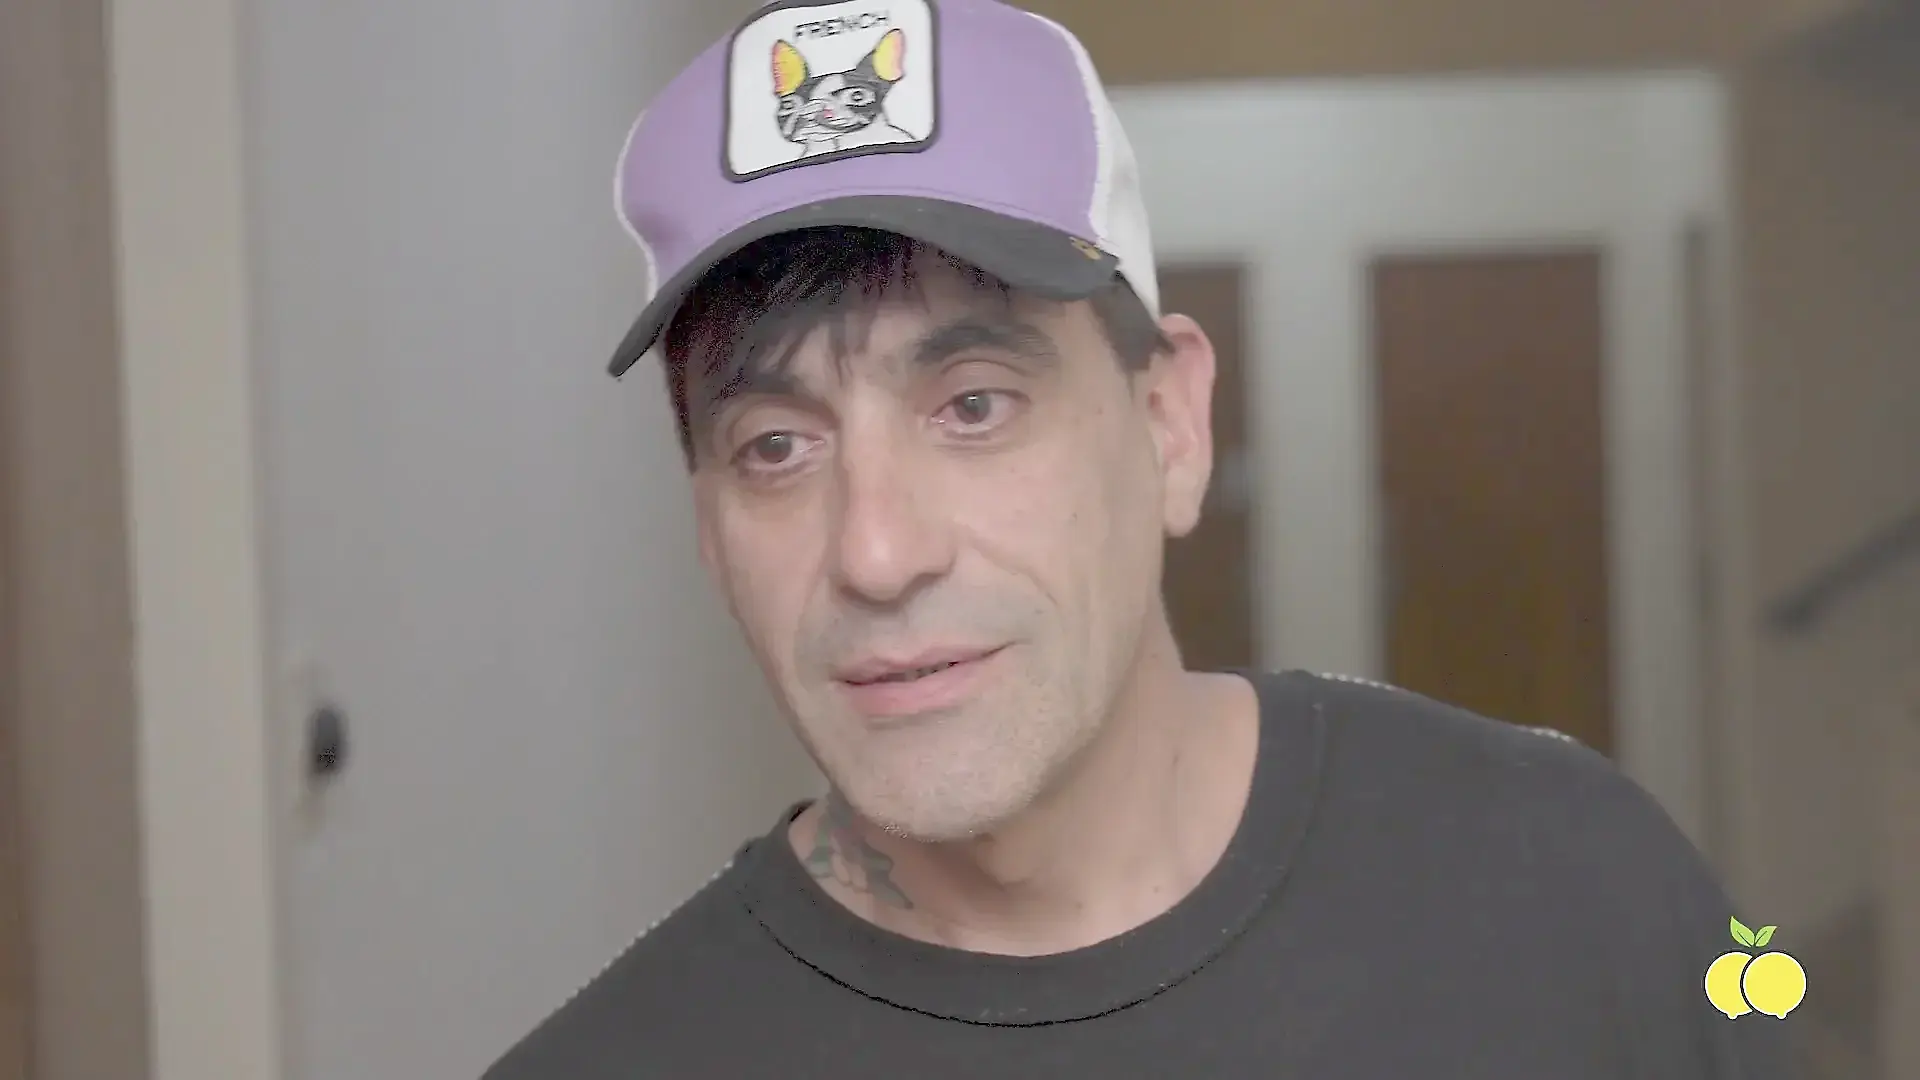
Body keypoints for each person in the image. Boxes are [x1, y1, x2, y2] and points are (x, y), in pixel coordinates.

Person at [484, 1, 1800, 1076]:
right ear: (709, 533)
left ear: (1170, 424)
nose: (876, 554)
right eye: (777, 446)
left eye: (974, 405)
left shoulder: (1575, 878)